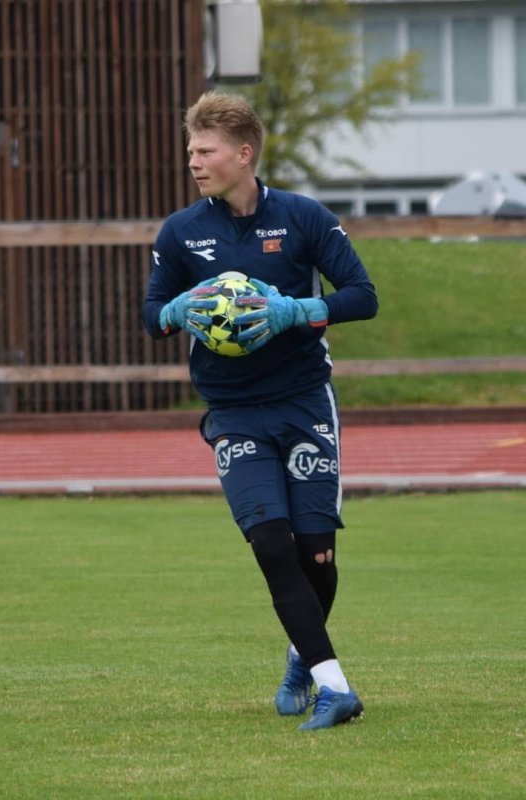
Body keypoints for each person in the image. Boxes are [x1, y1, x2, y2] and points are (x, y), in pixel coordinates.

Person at [142, 91, 378, 730]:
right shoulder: (181, 231)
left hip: (304, 403)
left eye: (204, 150)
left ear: (243, 154)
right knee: (271, 543)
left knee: (316, 555)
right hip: (234, 410)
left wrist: (297, 311)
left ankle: (305, 659)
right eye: (190, 150)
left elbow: (363, 296)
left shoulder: (303, 218)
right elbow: (150, 313)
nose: (193, 160)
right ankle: (336, 688)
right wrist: (171, 313)